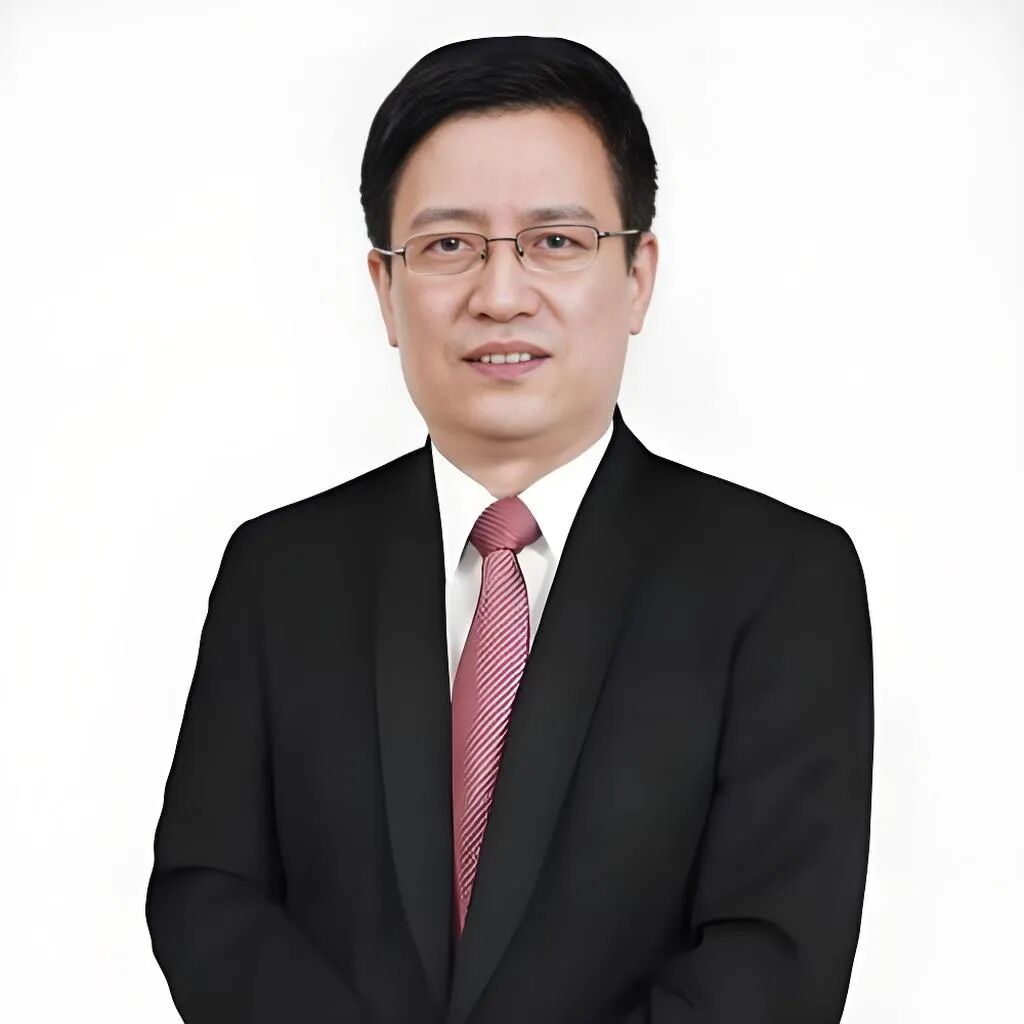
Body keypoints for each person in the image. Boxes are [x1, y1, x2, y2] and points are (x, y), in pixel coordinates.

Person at [145, 35, 873, 1024]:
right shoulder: (280, 571)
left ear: (638, 275)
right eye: (448, 245)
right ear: (385, 289)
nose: (499, 295)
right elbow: (208, 896)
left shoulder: (780, 578)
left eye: (555, 241)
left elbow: (773, 957)